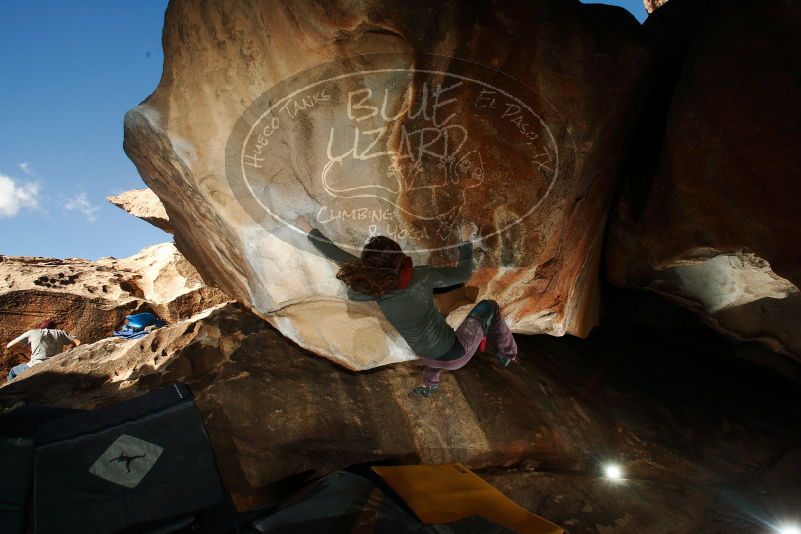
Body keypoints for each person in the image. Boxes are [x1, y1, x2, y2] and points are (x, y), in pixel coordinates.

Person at [296, 216, 518, 397]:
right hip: (456, 353)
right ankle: (508, 352)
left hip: (424, 355)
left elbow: (337, 254)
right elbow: (463, 274)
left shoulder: (373, 286)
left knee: (434, 343)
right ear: (399, 256)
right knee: (489, 307)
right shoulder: (421, 277)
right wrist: (465, 241)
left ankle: (429, 384)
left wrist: (310, 230)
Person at [5, 320, 81, 382]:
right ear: (54, 327)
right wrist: (70, 353)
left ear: (40, 327)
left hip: (34, 367)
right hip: (53, 366)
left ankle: (7, 393)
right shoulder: (60, 333)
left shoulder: (33, 332)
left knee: (13, 371)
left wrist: (27, 351)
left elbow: (10, 345)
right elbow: (78, 342)